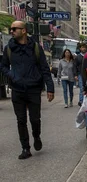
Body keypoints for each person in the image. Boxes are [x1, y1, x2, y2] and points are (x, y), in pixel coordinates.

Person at [0, 21, 54, 160]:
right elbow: (3, 67)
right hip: (17, 89)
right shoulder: (9, 48)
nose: (11, 31)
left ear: (23, 31)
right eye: (10, 29)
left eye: (14, 29)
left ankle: (36, 136)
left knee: (35, 119)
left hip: (33, 89)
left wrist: (50, 88)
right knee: (21, 120)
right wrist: (12, 75)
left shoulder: (35, 47)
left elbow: (44, 68)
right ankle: (25, 147)